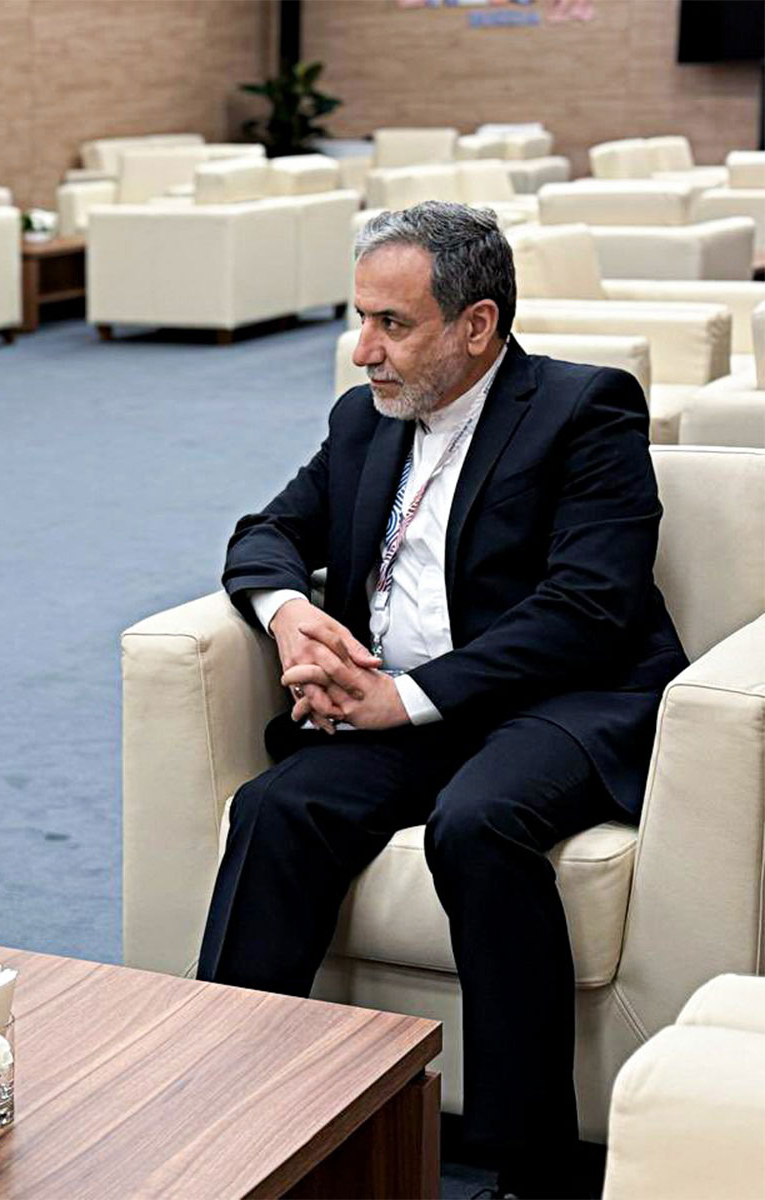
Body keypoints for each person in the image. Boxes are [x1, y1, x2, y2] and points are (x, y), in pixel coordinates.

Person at [197, 202, 686, 1196]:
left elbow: (589, 608)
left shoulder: (584, 410)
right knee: (275, 808)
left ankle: (526, 1163)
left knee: (479, 826)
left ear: (478, 325)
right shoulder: (362, 421)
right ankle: (233, 1110)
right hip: (400, 704)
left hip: (559, 698)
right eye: (360, 318)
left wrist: (408, 698)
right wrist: (290, 613)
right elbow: (264, 533)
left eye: (393, 324)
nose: (363, 350)